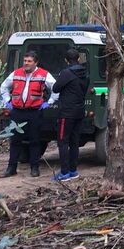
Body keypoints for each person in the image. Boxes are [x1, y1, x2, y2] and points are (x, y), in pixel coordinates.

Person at [0, 51, 57, 178]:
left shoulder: (43, 74)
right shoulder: (16, 73)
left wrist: (49, 102)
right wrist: (7, 102)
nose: (26, 63)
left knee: (35, 141)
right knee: (15, 141)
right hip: (17, 111)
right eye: (25, 61)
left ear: (36, 62)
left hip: (34, 112)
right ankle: (11, 168)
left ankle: (34, 168)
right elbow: (3, 87)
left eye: (29, 61)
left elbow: (56, 88)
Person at [51, 48, 89, 181]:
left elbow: (55, 88)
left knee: (62, 141)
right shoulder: (85, 73)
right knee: (74, 142)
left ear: (66, 60)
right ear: (78, 59)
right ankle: (73, 171)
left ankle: (64, 173)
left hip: (66, 113)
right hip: (79, 111)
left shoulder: (66, 73)